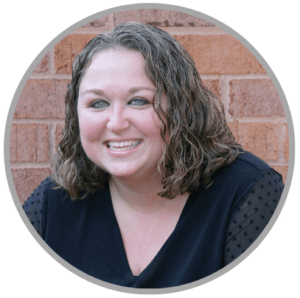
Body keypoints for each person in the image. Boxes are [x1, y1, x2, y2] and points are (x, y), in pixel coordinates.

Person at [23, 22, 284, 288]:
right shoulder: (52, 203)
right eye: (97, 103)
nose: (116, 123)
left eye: (139, 101)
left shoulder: (248, 192)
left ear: (182, 109)